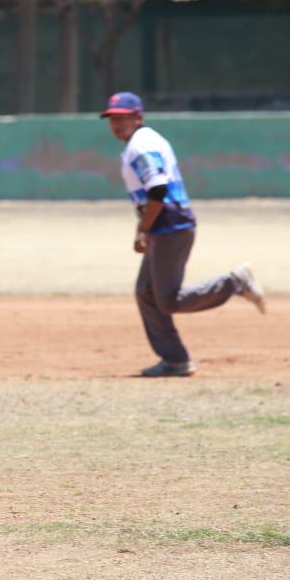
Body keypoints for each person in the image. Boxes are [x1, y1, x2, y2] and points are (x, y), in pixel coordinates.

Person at [101, 91, 266, 377]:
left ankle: (234, 282)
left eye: (123, 118)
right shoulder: (142, 142)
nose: (116, 124)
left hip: (171, 225)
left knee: (168, 300)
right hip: (165, 224)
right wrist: (145, 228)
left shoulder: (141, 146)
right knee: (146, 292)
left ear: (138, 117)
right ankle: (175, 360)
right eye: (112, 118)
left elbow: (157, 188)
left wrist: (144, 228)